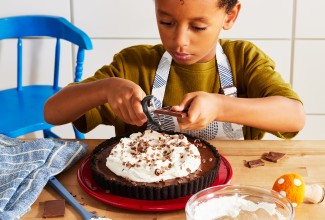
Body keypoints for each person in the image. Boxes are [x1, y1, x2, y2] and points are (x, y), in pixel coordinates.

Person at [44, 0, 305, 140]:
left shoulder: (244, 59)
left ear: (230, 16)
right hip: (145, 202)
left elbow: (294, 117)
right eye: (166, 21)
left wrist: (220, 107)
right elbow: (52, 112)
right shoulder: (132, 64)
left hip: (225, 197)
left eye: (198, 27)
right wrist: (105, 88)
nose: (179, 40)